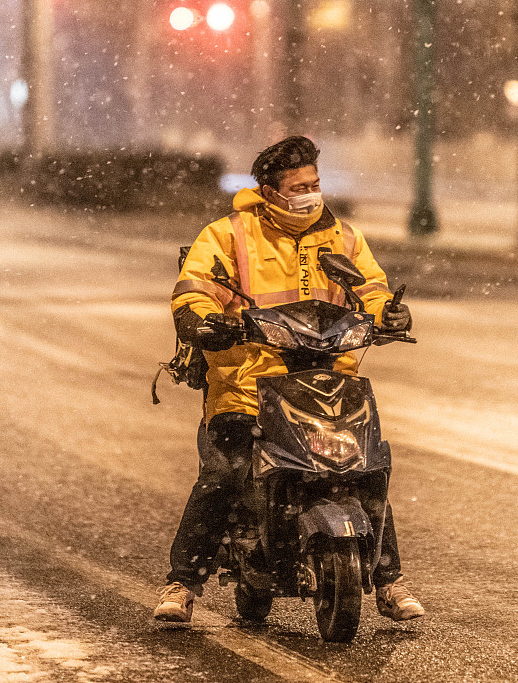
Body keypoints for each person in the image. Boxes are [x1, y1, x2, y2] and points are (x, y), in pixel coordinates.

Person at [154, 135, 425, 624]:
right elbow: (193, 289)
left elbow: (372, 288)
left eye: (314, 183)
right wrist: (202, 319)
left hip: (325, 376)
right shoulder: (227, 235)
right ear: (270, 191)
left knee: (363, 467)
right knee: (225, 472)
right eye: (299, 185)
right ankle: (182, 583)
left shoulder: (343, 238)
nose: (310, 192)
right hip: (248, 382)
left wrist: (390, 315)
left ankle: (389, 580)